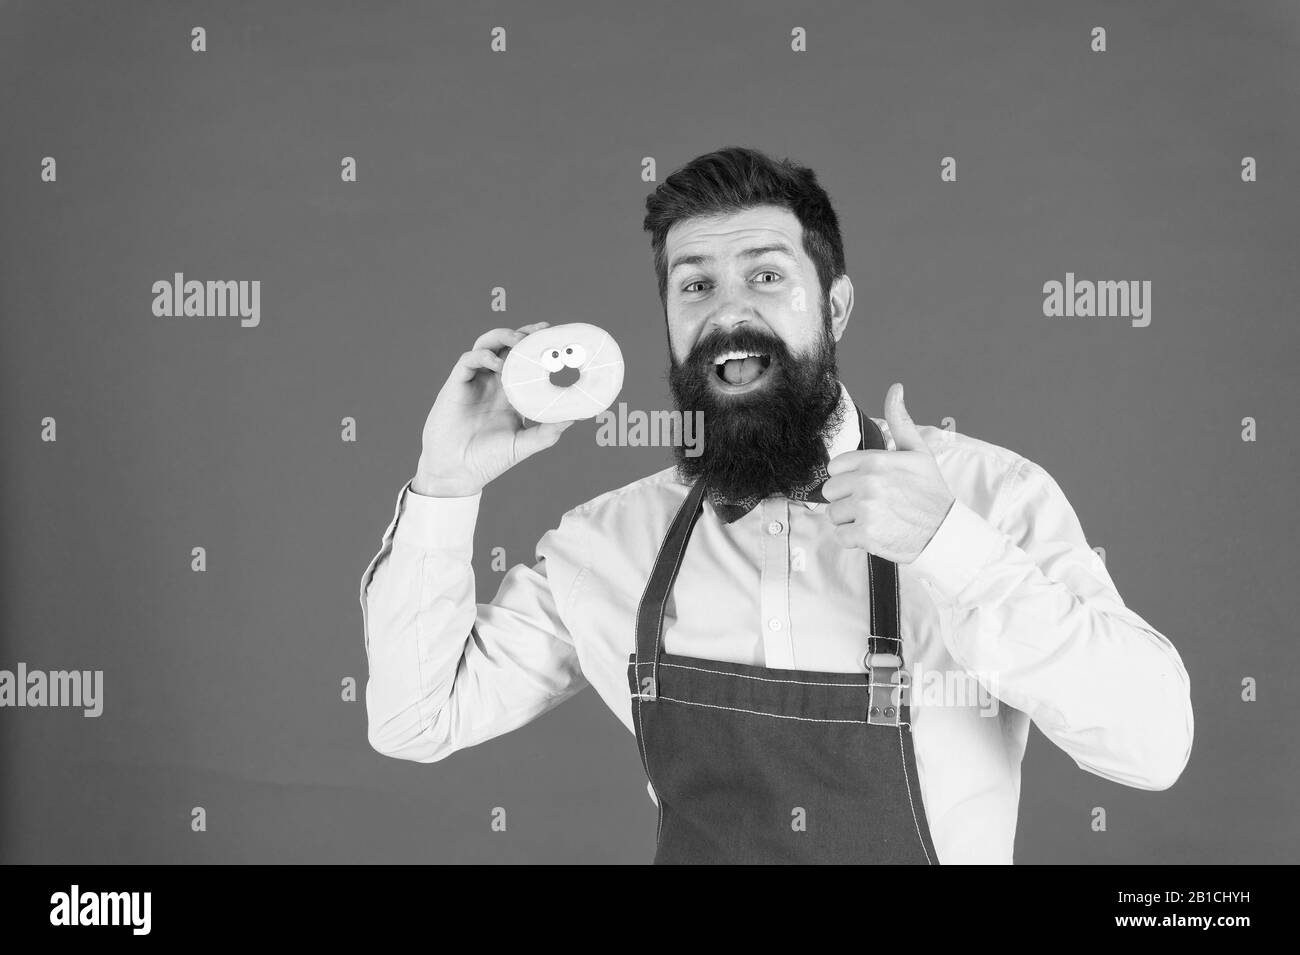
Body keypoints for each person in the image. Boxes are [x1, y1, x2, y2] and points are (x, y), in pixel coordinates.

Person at [359, 146, 1193, 864]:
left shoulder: (987, 499)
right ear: (669, 324)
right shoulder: (608, 543)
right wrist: (446, 482)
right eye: (695, 286)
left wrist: (948, 547)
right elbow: (415, 719)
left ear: (834, 307)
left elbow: (1153, 745)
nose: (728, 311)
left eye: (765, 275)